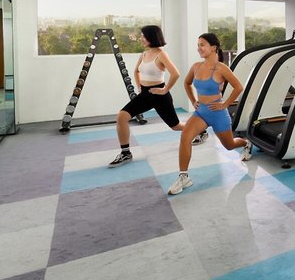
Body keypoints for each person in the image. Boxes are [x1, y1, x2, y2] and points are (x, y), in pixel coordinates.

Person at [168, 32, 251, 195]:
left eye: (202, 45)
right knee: (185, 137)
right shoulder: (196, 67)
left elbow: (238, 87)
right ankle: (183, 177)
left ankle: (246, 143)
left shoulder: (221, 68)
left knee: (229, 145)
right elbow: (186, 83)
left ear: (213, 47)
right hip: (201, 113)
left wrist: (225, 104)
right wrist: (193, 100)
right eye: (198, 45)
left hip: (218, 114)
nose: (199, 48)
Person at [108, 25, 184, 166]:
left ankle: (199, 130)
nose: (141, 39)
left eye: (144, 36)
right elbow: (136, 71)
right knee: (122, 116)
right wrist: (139, 86)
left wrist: (165, 90)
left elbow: (175, 74)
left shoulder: (161, 54)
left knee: (175, 126)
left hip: (159, 96)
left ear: (152, 37)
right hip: (145, 94)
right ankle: (125, 153)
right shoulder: (143, 54)